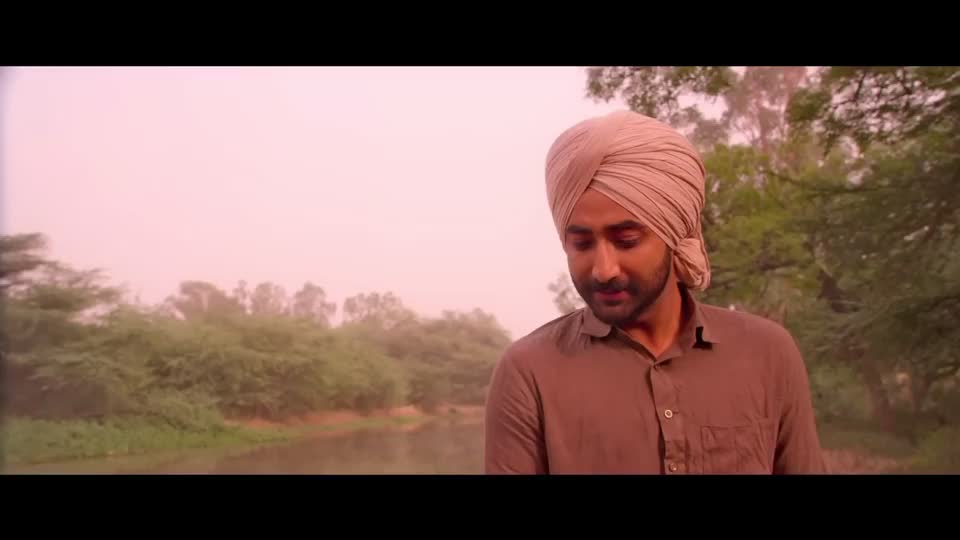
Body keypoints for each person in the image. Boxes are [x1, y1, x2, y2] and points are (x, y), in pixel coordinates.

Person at [483, 110, 827, 474]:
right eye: (582, 244)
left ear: (673, 235)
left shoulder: (767, 353)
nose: (603, 269)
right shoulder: (529, 372)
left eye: (627, 241)